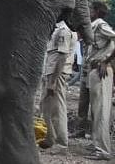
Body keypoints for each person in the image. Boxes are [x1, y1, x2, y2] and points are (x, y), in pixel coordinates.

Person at [41, 19, 78, 149]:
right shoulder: (57, 29)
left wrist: (53, 81)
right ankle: (50, 138)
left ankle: (61, 143)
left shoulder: (64, 31)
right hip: (51, 72)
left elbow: (62, 57)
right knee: (47, 107)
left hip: (57, 74)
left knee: (57, 108)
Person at [86, 1, 115, 160]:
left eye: (91, 9)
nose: (89, 11)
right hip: (94, 71)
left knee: (102, 111)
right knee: (96, 111)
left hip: (101, 70)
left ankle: (103, 151)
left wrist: (106, 60)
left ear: (97, 11)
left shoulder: (101, 25)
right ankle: (98, 145)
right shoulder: (95, 25)